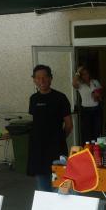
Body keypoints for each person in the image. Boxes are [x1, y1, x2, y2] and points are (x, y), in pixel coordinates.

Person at [28, 64, 73, 192]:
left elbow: (69, 125)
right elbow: (36, 123)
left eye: (44, 77)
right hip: (38, 150)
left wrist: (59, 139)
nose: (41, 81)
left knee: (60, 188)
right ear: (34, 80)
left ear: (50, 78)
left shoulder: (60, 98)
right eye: (38, 78)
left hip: (56, 148)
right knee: (43, 189)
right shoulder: (33, 99)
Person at [73, 66, 103, 143]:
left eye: (87, 73)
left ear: (89, 74)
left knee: (97, 131)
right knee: (87, 133)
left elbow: (101, 95)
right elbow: (74, 84)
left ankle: (97, 148)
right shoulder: (80, 84)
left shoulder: (95, 82)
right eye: (83, 74)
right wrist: (78, 72)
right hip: (85, 110)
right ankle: (88, 148)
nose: (85, 76)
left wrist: (97, 95)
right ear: (81, 76)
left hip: (96, 109)